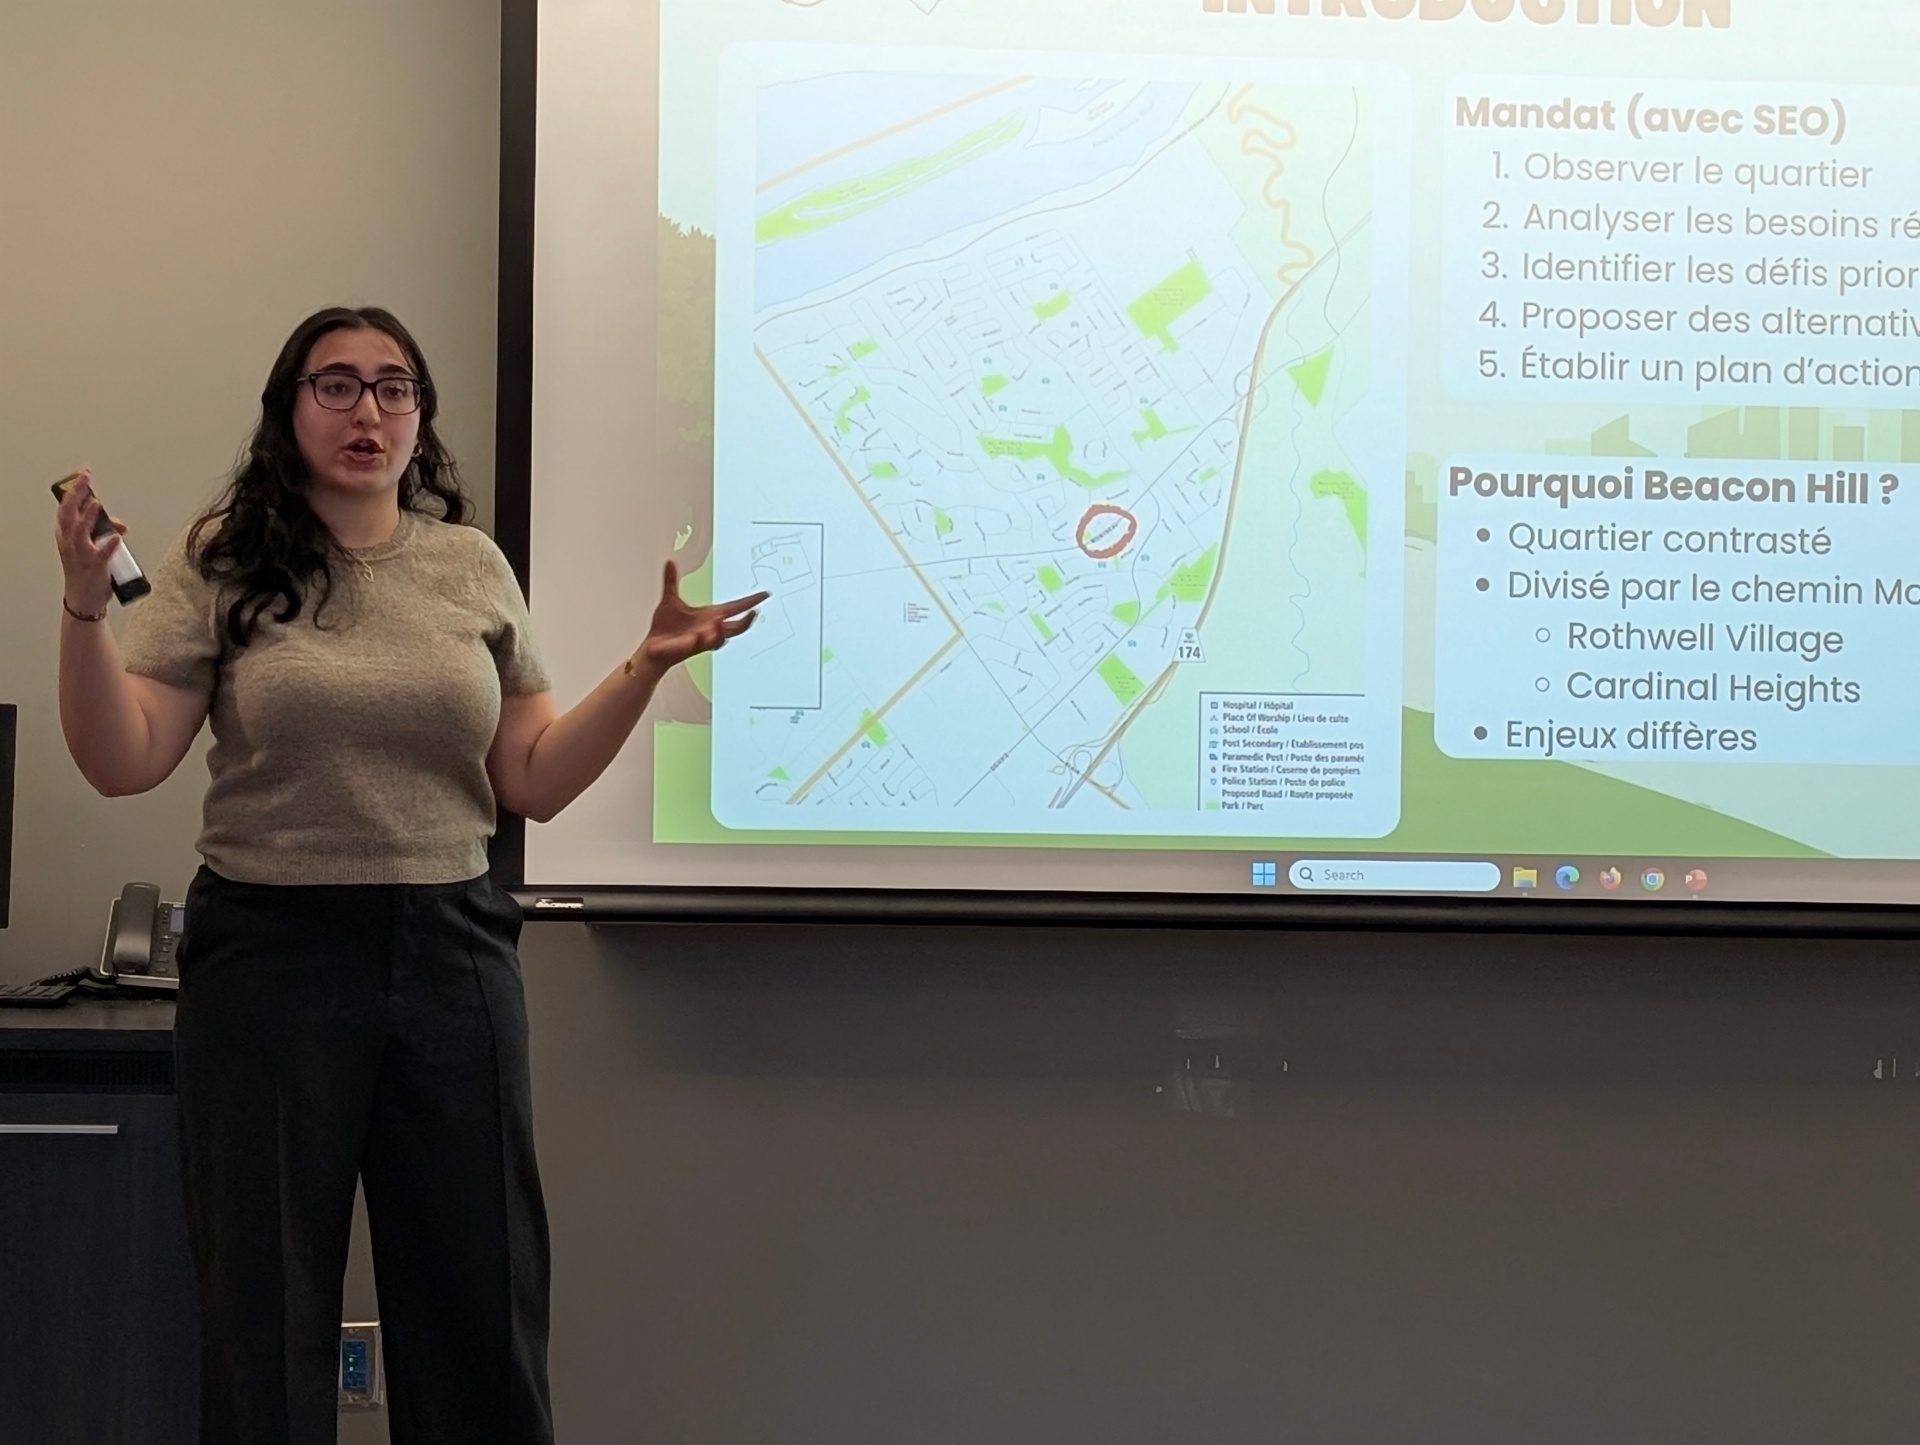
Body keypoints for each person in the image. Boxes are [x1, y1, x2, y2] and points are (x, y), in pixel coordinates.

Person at [53, 305, 764, 1445]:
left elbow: (530, 776)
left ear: (420, 417)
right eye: (335, 385)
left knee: (481, 1306)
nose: (367, 410)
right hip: (270, 962)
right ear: (290, 411)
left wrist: (647, 665)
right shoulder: (221, 561)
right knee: (262, 1310)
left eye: (394, 387)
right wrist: (87, 609)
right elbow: (121, 755)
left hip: (453, 950)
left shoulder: (468, 565)